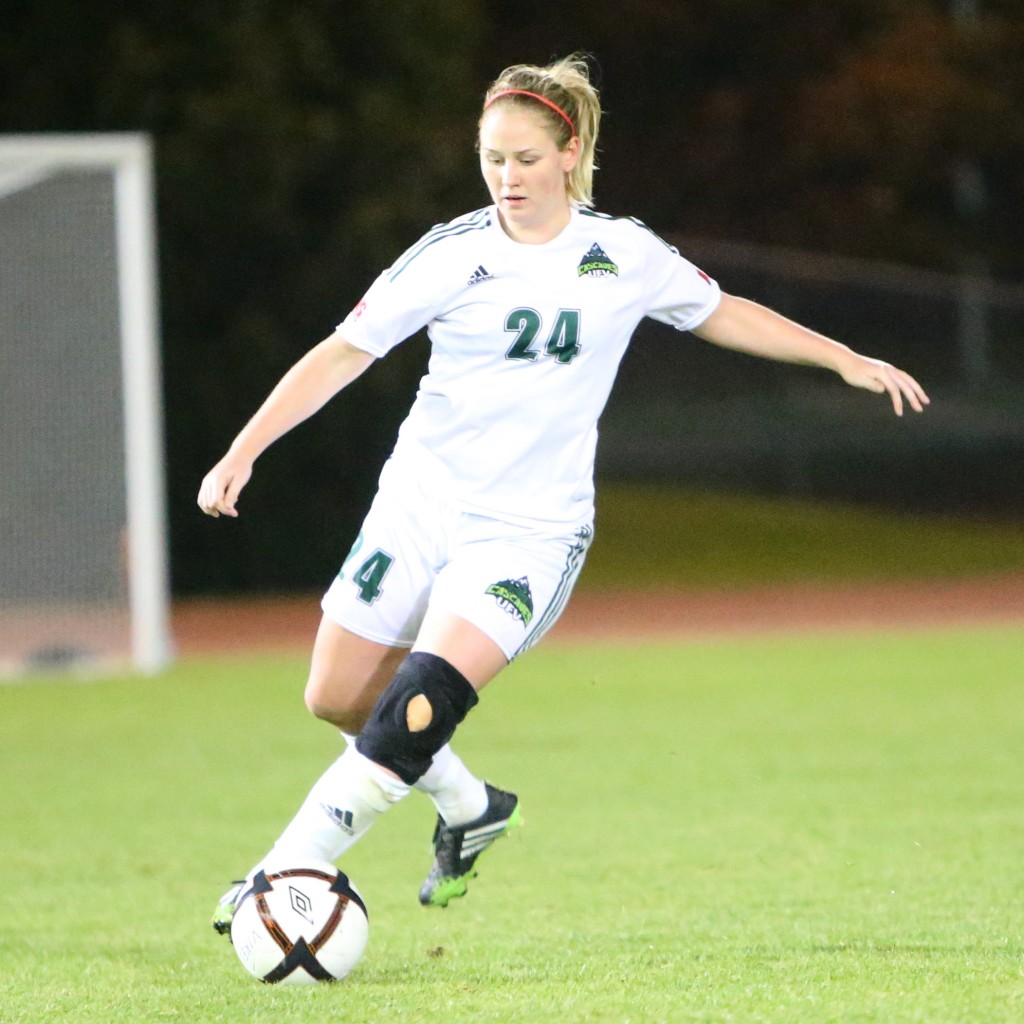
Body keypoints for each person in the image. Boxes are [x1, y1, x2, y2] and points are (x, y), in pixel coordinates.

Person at [197, 54, 929, 929]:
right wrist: (244, 449)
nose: (507, 178)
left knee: (420, 699)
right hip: (419, 503)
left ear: (569, 152)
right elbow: (343, 352)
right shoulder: (449, 254)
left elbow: (723, 309)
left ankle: (285, 870)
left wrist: (843, 358)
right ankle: (472, 810)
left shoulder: (622, 254)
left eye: (526, 159)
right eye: (492, 158)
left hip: (528, 531)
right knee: (338, 699)